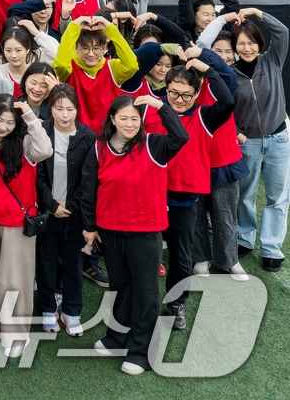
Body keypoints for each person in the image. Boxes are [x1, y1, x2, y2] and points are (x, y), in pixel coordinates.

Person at [80, 94, 187, 376]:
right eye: (123, 118)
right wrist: (90, 226)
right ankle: (117, 338)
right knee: (120, 287)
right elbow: (89, 189)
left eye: (134, 119)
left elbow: (181, 137)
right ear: (112, 120)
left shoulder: (154, 145)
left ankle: (142, 352)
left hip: (145, 232)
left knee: (146, 293)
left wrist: (161, 107)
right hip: (109, 231)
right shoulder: (99, 147)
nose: (129, 123)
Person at [201, 8, 289, 272]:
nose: (247, 48)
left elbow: (283, 32)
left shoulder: (271, 60)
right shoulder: (230, 74)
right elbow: (227, 108)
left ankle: (272, 248)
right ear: (235, 48)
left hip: (278, 139)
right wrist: (238, 130)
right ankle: (244, 238)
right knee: (245, 195)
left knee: (276, 197)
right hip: (246, 142)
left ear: (259, 43)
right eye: (241, 44)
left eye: (251, 42)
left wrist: (257, 13)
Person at [160, 51, 235, 329]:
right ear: (165, 89)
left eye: (186, 95)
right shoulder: (153, 111)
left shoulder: (205, 116)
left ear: (197, 92)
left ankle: (176, 305)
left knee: (181, 258)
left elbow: (227, 100)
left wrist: (208, 69)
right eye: (173, 93)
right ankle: (138, 306)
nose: (179, 100)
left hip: (185, 200)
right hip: (153, 197)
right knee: (146, 257)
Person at [0, 96, 53, 358]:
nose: (3, 126)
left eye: (10, 122)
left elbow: (45, 149)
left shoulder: (24, 143)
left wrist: (30, 116)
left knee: (14, 280)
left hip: (17, 222)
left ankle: (17, 334)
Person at [35, 84, 95, 336]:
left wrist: (68, 206)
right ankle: (48, 310)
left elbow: (89, 179)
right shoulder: (41, 131)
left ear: (77, 110)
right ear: (51, 109)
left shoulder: (88, 137)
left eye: (69, 109)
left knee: (73, 264)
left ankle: (71, 311)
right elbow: (38, 174)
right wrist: (51, 205)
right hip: (47, 213)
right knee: (46, 263)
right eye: (59, 109)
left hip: (75, 214)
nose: (64, 114)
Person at [54, 16, 140, 133]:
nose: (91, 54)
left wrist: (110, 29)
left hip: (107, 135)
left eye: (96, 48)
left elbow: (132, 65)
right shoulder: (70, 67)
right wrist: (74, 26)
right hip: (77, 134)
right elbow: (60, 66)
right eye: (85, 48)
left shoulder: (112, 68)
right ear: (76, 48)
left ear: (104, 47)